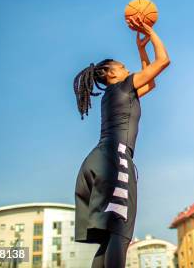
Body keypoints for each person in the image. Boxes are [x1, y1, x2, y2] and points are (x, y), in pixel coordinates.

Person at [72, 16, 170, 268]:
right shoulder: (124, 86)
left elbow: (152, 82)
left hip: (96, 161)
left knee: (109, 237)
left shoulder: (113, 93)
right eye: (124, 67)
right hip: (114, 159)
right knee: (121, 232)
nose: (128, 70)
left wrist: (141, 49)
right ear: (112, 73)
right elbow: (164, 62)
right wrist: (150, 32)